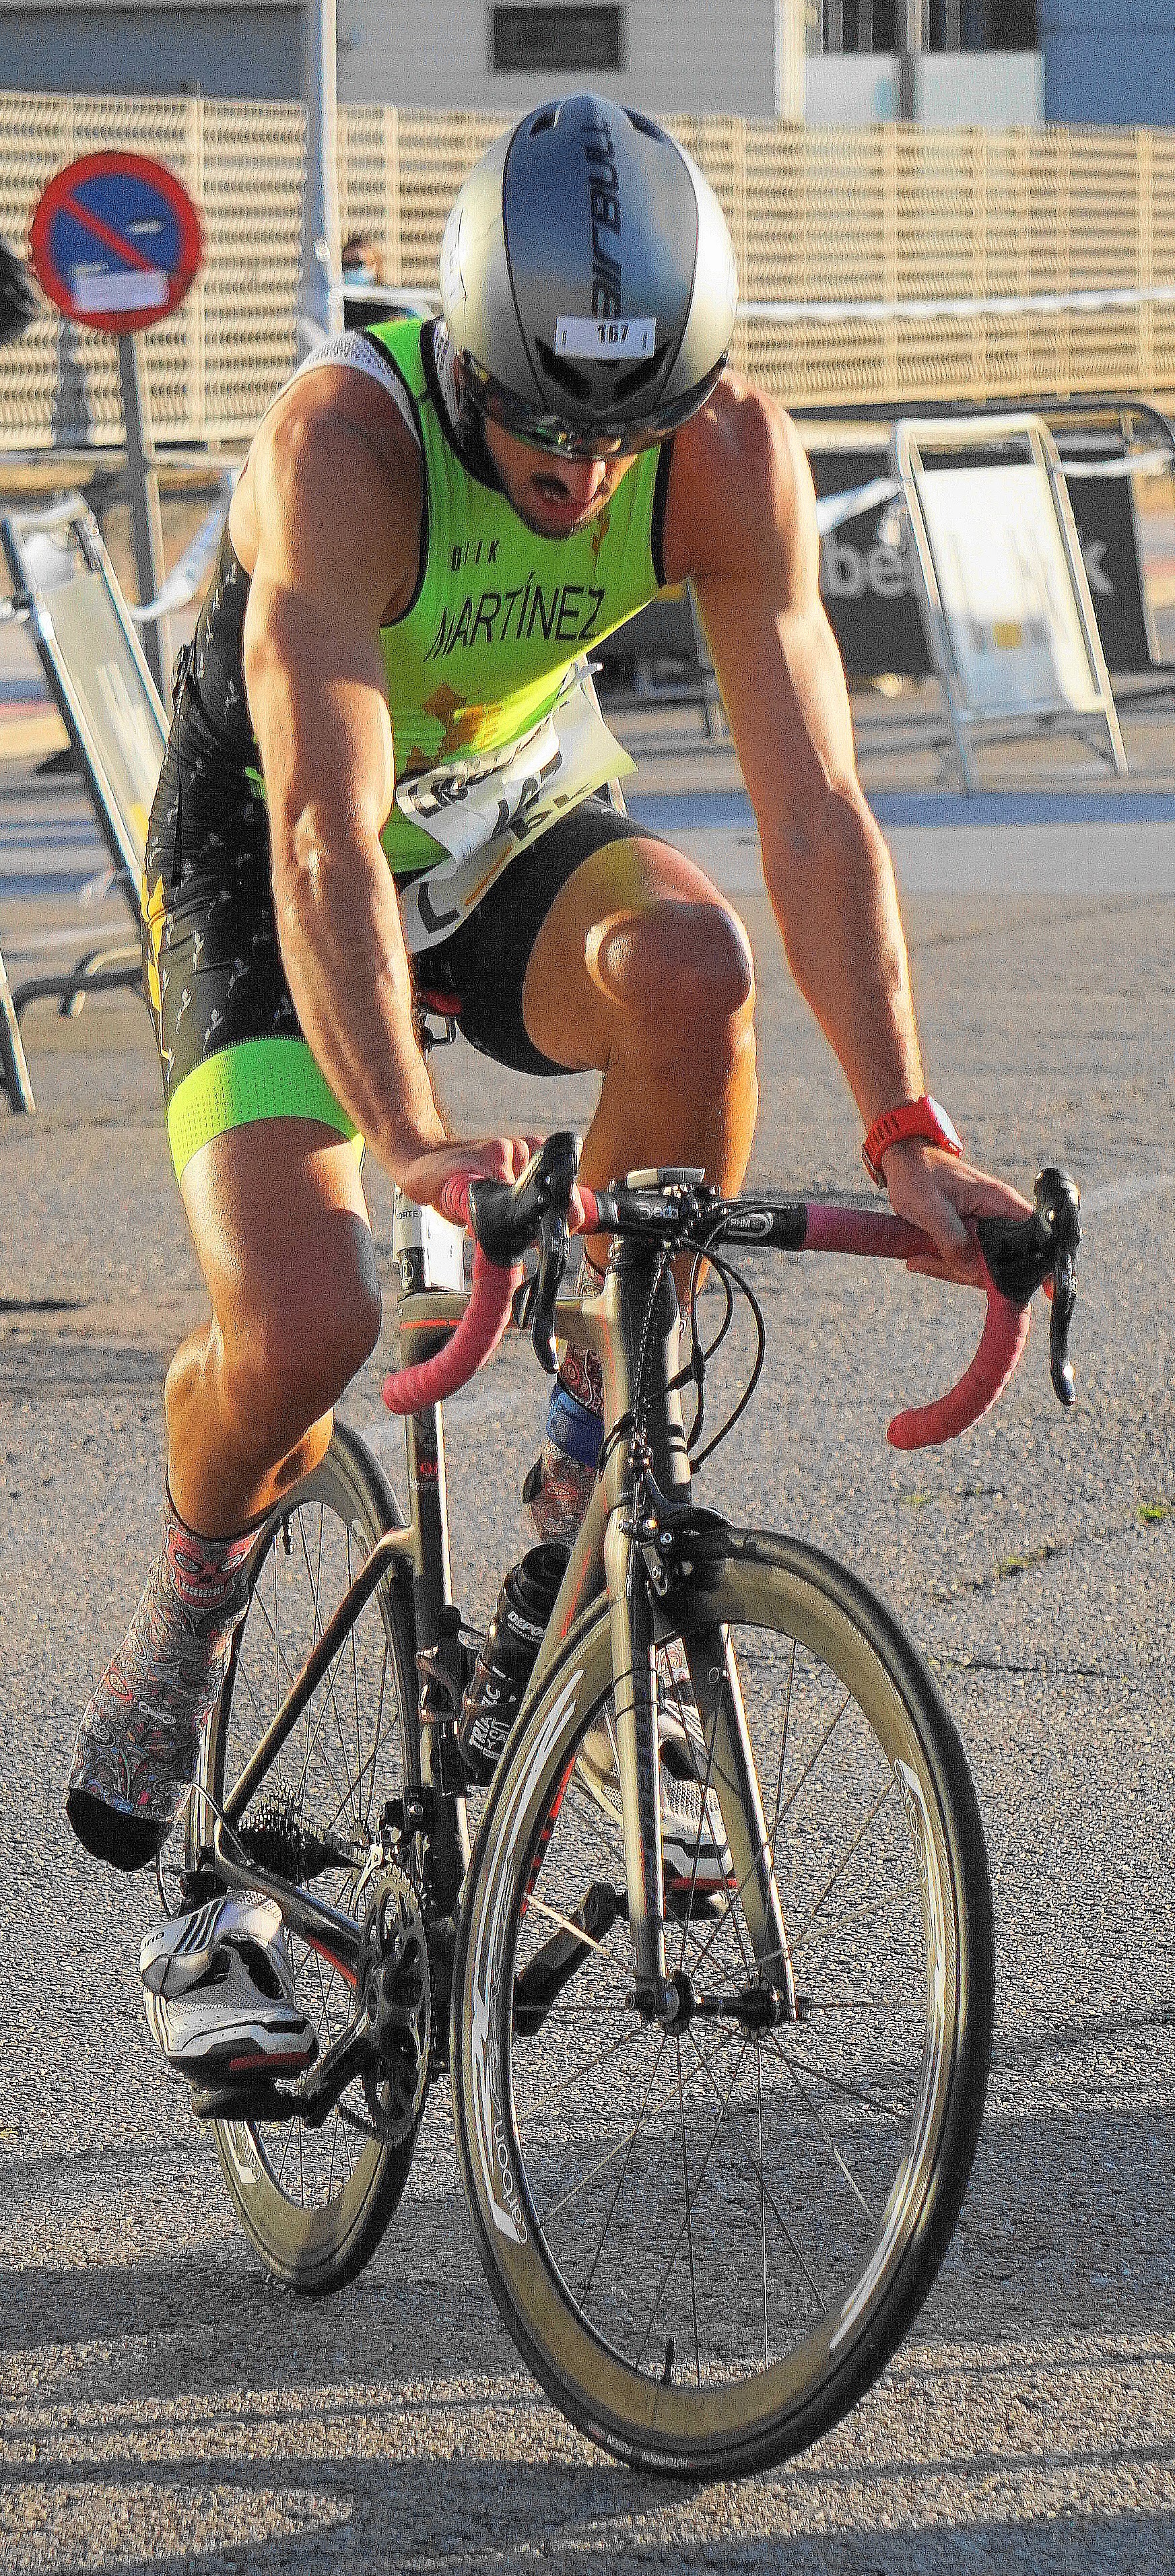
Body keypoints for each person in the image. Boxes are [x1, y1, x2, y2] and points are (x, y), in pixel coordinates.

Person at [66, 93, 1028, 2072]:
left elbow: (815, 806)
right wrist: (410, 1136)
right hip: (280, 841)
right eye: (540, 437)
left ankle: (588, 1513)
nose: (585, 481)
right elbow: (326, 837)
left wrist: (907, 1127)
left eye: (623, 437)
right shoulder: (344, 449)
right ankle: (194, 1581)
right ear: (467, 365)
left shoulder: (725, 451)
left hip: (508, 811)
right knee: (309, 1323)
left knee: (691, 971)